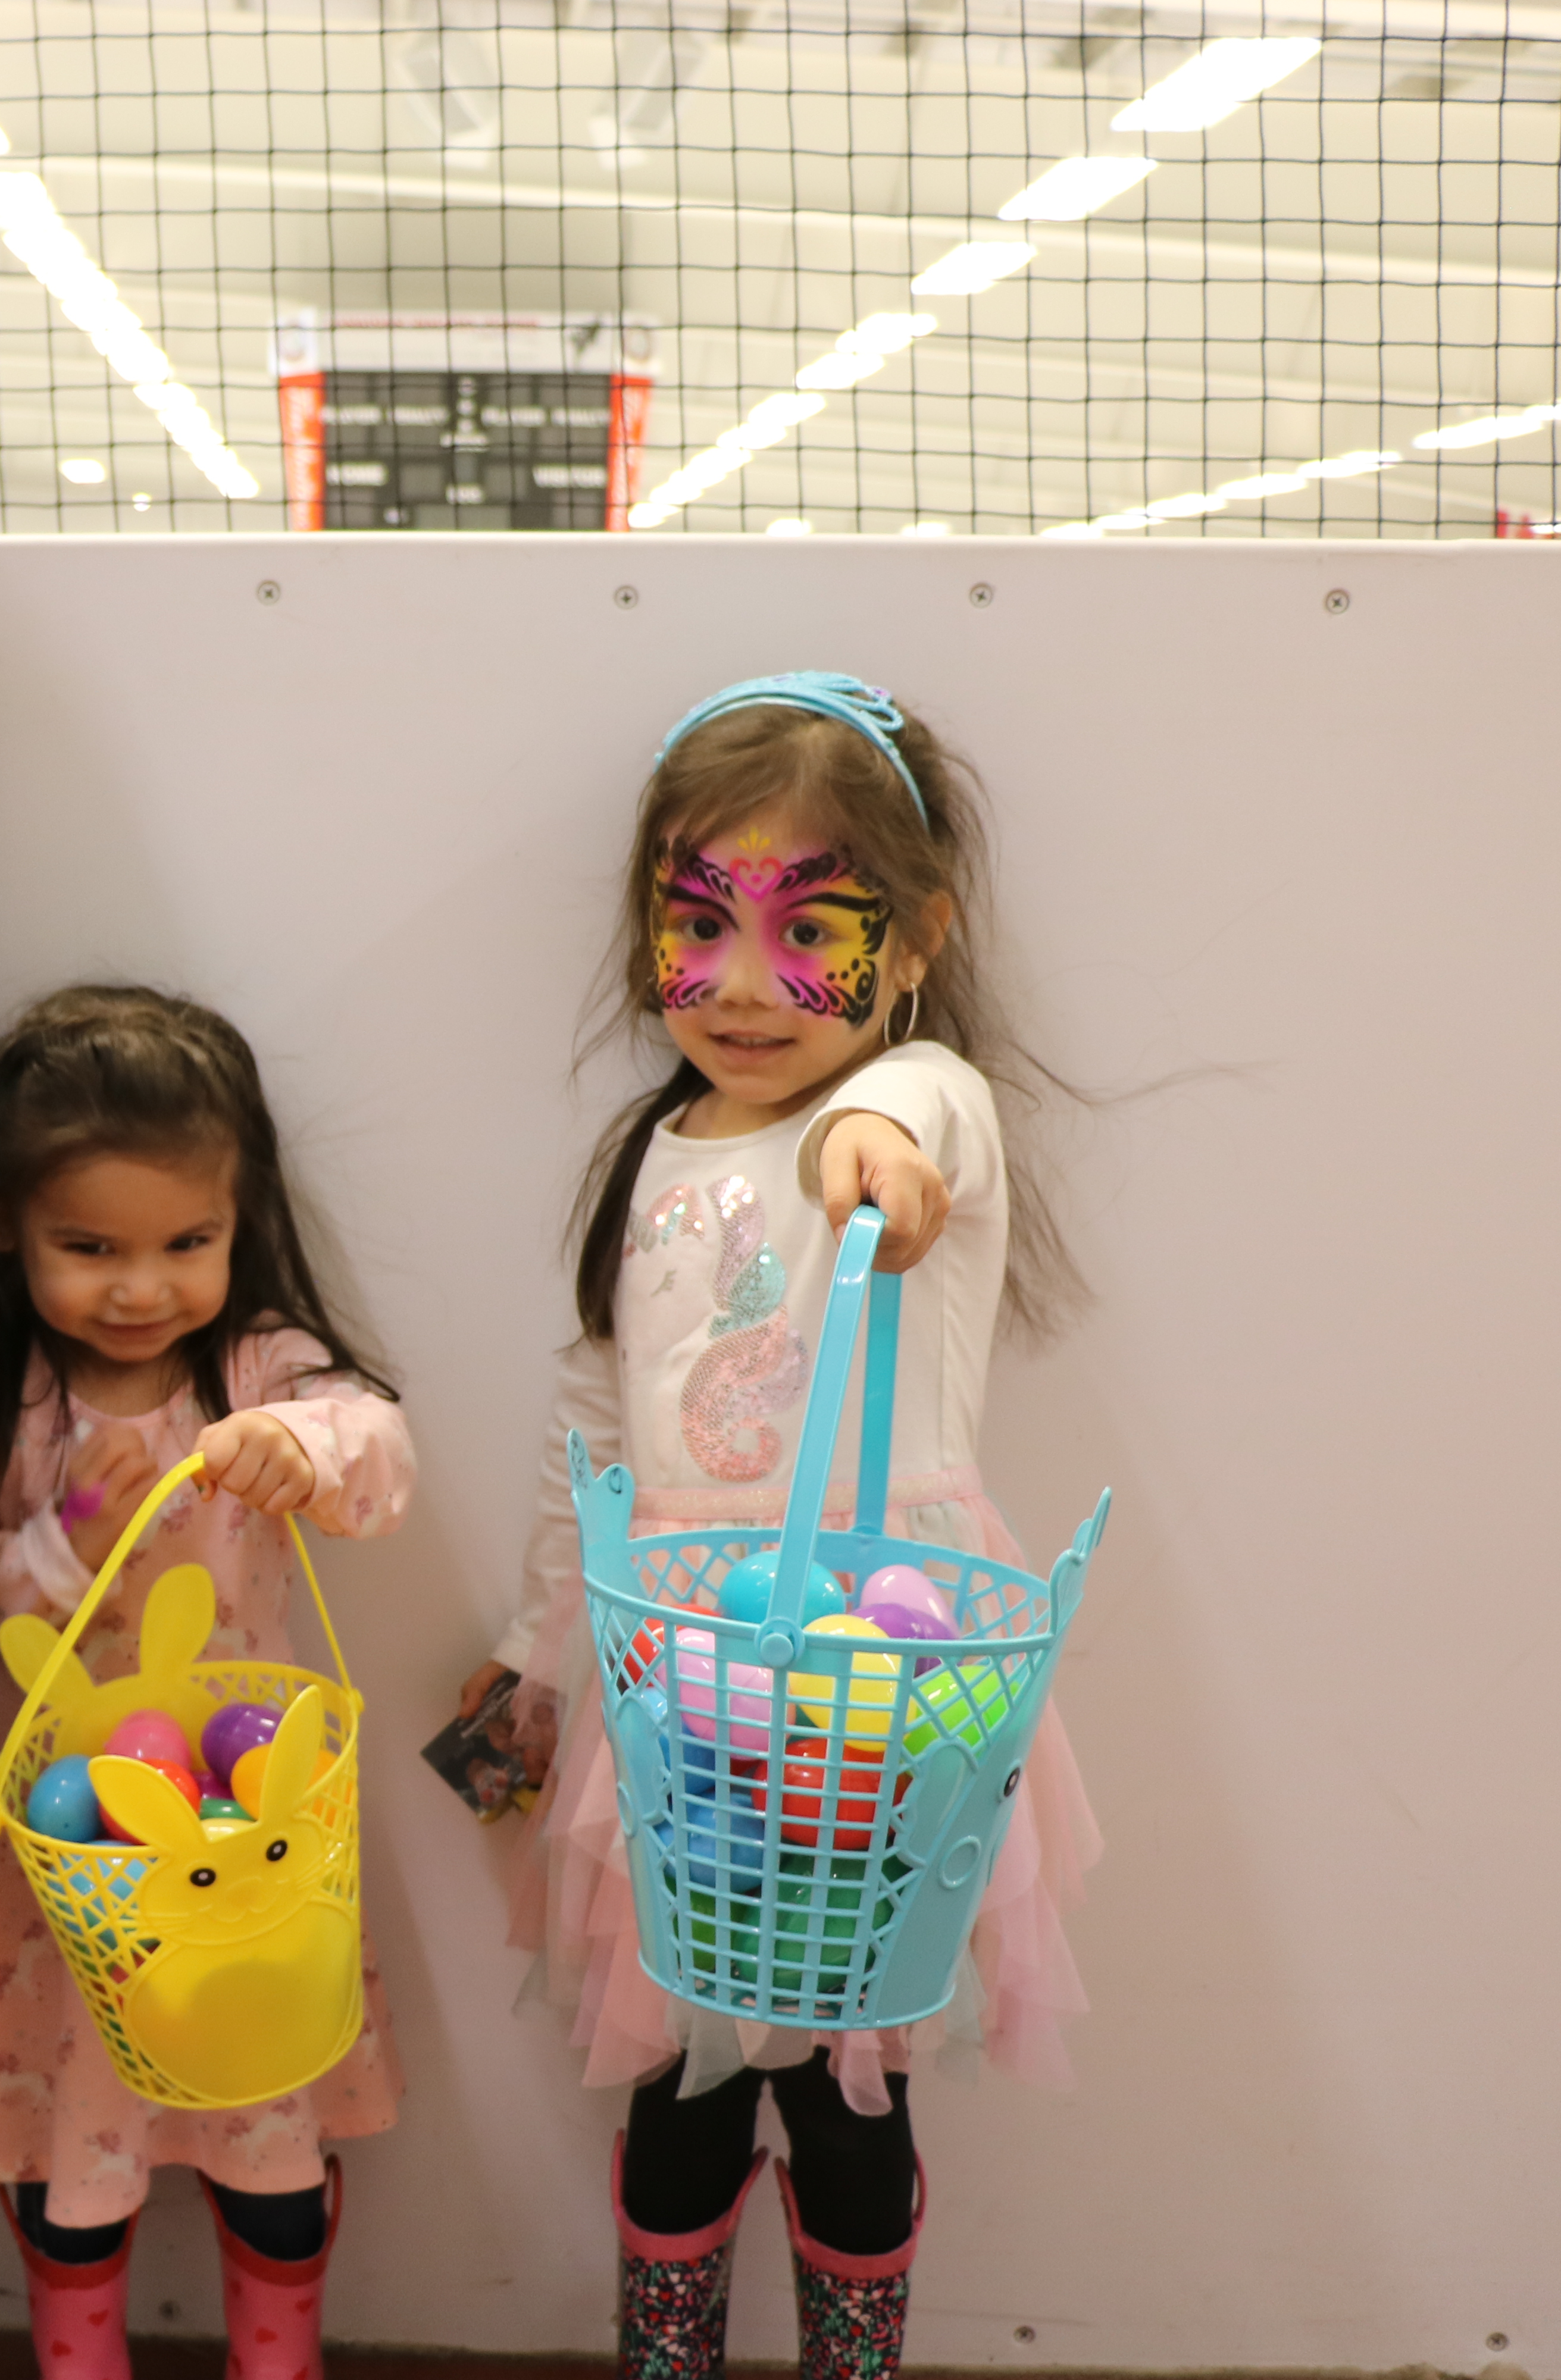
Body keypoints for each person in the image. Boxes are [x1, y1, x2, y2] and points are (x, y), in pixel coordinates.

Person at [456, 677, 1102, 2380]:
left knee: (841, 2082)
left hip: (881, 1684)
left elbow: (939, 1114)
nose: (742, 986)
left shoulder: (914, 1103)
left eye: (809, 928)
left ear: (916, 936)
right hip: (675, 1683)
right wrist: (536, 1659)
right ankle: (666, 2352)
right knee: (683, 2065)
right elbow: (589, 1429)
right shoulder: (648, 1156)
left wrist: (882, 1131)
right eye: (696, 925)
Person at [0, 985, 414, 2380]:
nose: (144, 1285)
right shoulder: (1, 1395)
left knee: (265, 2135)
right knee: (73, 2143)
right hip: (61, 1869)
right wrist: (55, 1549)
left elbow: (379, 1452)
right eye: (91, 1246)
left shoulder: (253, 1367)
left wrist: (305, 1445)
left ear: (242, 1220)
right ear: (2, 1220)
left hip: (249, 1851)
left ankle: (277, 2357)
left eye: (191, 1241)